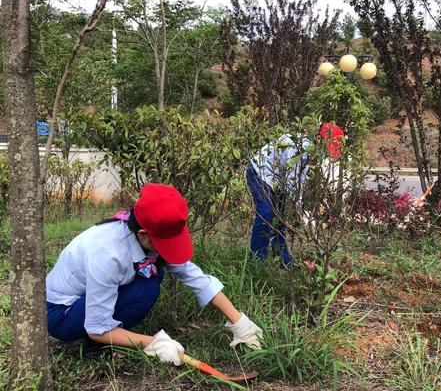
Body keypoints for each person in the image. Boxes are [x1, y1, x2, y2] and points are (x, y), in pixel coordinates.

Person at [46, 183, 263, 364]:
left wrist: (239, 321)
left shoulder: (146, 235)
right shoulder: (107, 254)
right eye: (164, 243)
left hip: (85, 302)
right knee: (143, 290)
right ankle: (100, 343)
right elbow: (96, 327)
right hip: (61, 313)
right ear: (143, 235)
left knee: (150, 280)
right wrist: (153, 344)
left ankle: (113, 338)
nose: (168, 248)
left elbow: (195, 277)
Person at [246, 123, 344, 267]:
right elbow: (292, 184)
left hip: (277, 180)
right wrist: (303, 214)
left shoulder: (310, 153)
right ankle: (256, 261)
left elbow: (299, 181)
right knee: (265, 214)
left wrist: (306, 211)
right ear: (318, 138)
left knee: (279, 218)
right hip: (259, 172)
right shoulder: (297, 148)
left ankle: (283, 260)